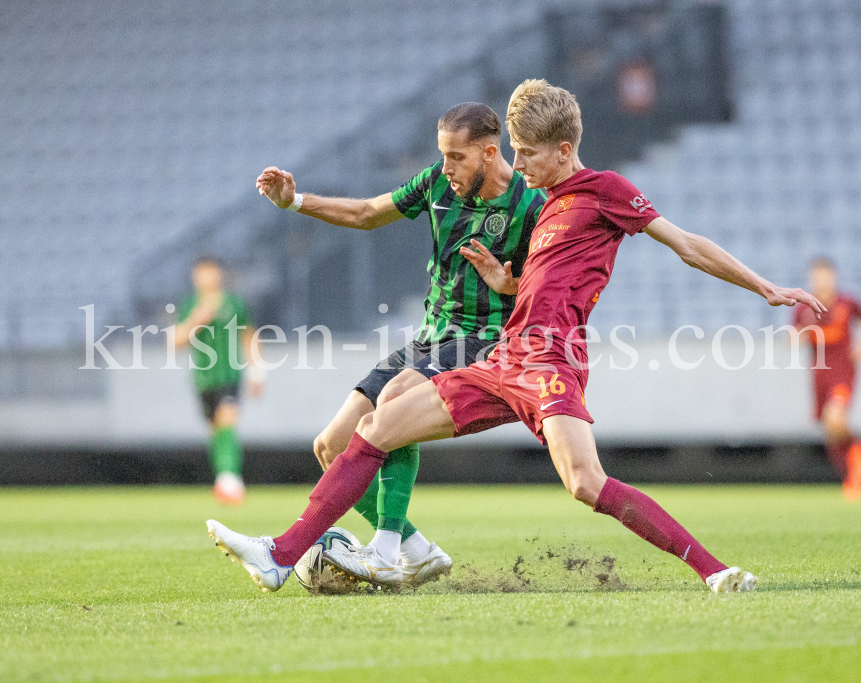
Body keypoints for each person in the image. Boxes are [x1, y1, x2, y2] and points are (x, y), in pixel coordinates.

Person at [207, 79, 825, 594]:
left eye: (528, 153)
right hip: (502, 357)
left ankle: (713, 571)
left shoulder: (604, 192)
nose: (520, 165)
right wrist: (507, 283)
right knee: (374, 424)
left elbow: (687, 244)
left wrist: (766, 288)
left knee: (585, 483)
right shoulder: (543, 201)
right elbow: (534, 281)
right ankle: (284, 554)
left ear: (562, 149)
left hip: (551, 361)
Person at [254, 103, 547, 587]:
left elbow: (550, 287)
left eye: (456, 157)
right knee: (330, 445)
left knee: (393, 402)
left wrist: (509, 286)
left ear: (490, 152)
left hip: (483, 340)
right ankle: (415, 549)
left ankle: (385, 550)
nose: (445, 167)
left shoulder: (531, 206)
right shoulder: (436, 182)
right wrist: (295, 201)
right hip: (431, 336)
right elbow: (368, 213)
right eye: (442, 155)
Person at [175, 257, 263, 505]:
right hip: (203, 379)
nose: (208, 278)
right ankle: (223, 479)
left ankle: (230, 479)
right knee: (216, 431)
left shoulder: (234, 303)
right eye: (202, 273)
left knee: (228, 419)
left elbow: (249, 336)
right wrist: (197, 320)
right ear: (195, 277)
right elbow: (176, 341)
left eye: (212, 273)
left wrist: (257, 371)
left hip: (230, 375)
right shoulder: (190, 305)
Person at [792, 257, 861, 501]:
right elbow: (793, 335)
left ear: (834, 277)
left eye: (825, 275)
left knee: (835, 416)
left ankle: (858, 453)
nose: (821, 280)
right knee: (830, 429)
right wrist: (797, 337)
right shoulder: (803, 307)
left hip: (843, 370)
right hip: (819, 372)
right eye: (816, 276)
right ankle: (850, 473)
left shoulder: (847, 302)